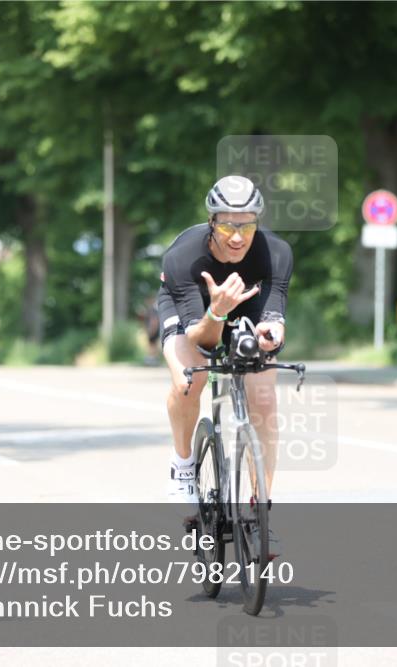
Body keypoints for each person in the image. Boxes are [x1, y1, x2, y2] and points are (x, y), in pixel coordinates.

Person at [157, 175, 293, 558]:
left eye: (247, 225)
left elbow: (275, 313)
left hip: (244, 307)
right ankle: (183, 465)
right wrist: (216, 309)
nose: (238, 236)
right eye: (229, 225)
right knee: (189, 382)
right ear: (212, 221)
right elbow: (201, 340)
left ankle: (260, 509)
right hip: (194, 311)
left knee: (264, 400)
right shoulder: (183, 257)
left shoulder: (277, 253)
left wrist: (271, 334)